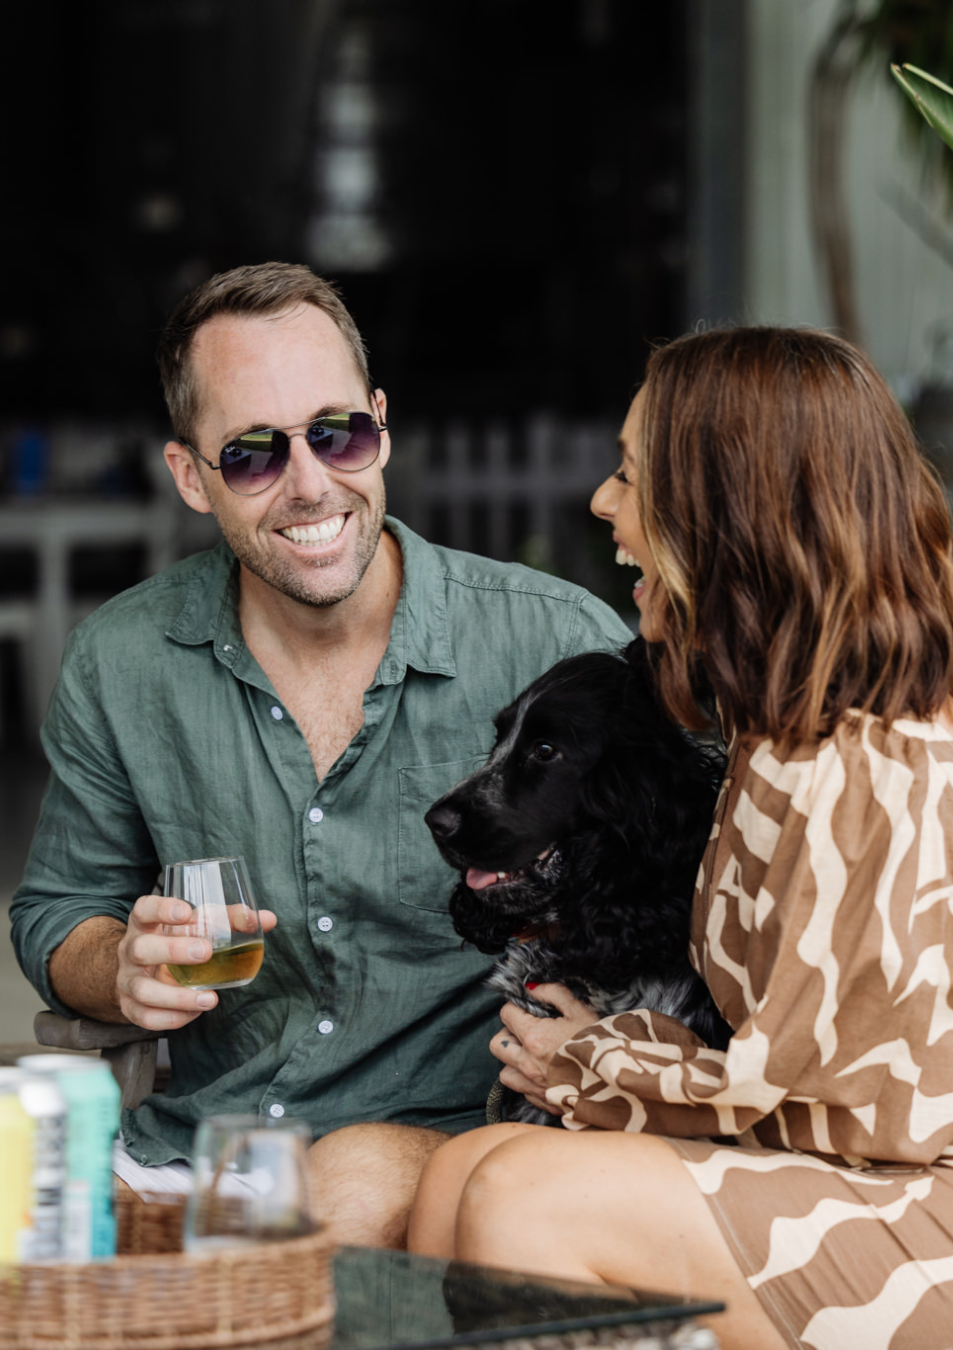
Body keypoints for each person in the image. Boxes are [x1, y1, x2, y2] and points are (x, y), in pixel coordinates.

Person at [9, 261, 630, 1246]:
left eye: (337, 434)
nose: (310, 484)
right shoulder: (121, 660)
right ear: (191, 477)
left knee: (338, 1195)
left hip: (462, 1148)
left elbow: (687, 895)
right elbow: (58, 910)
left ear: (382, 426)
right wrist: (117, 966)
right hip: (205, 1152)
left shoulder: (554, 644)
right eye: (253, 454)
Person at [406, 326, 953, 1349]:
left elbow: (844, 1103)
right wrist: (609, 1056)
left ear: (727, 514)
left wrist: (596, 1063)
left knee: (525, 1197)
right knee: (460, 1172)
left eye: (629, 474)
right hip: (846, 1163)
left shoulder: (872, 761)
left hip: (919, 1199)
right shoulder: (777, 733)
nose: (600, 502)